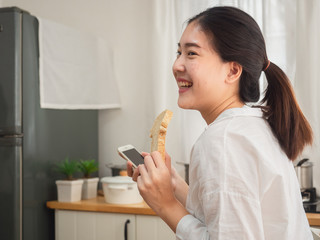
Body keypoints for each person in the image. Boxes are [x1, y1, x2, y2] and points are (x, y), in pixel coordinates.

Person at [127, 6, 313, 240]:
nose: (176, 65)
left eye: (192, 53)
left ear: (233, 71)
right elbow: (224, 215)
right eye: (178, 53)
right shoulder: (253, 125)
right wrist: (173, 183)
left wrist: (165, 204)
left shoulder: (224, 140)